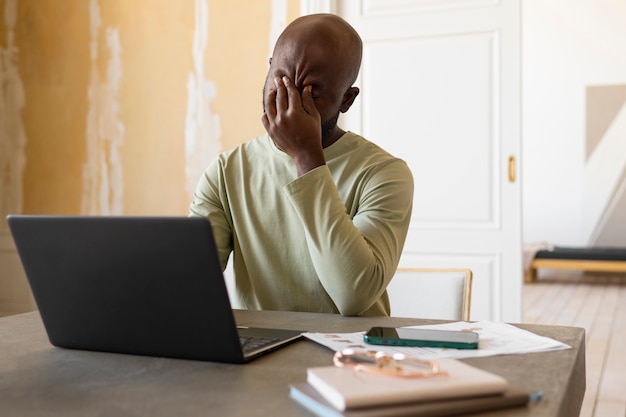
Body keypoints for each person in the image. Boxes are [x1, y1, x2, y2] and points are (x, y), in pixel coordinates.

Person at [189, 13, 413, 316]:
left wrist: (307, 157)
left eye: (312, 94)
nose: (289, 100)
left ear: (346, 100)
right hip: (260, 355)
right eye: (280, 80)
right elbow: (188, 282)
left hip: (353, 357)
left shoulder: (383, 173)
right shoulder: (226, 171)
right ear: (268, 68)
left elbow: (353, 295)